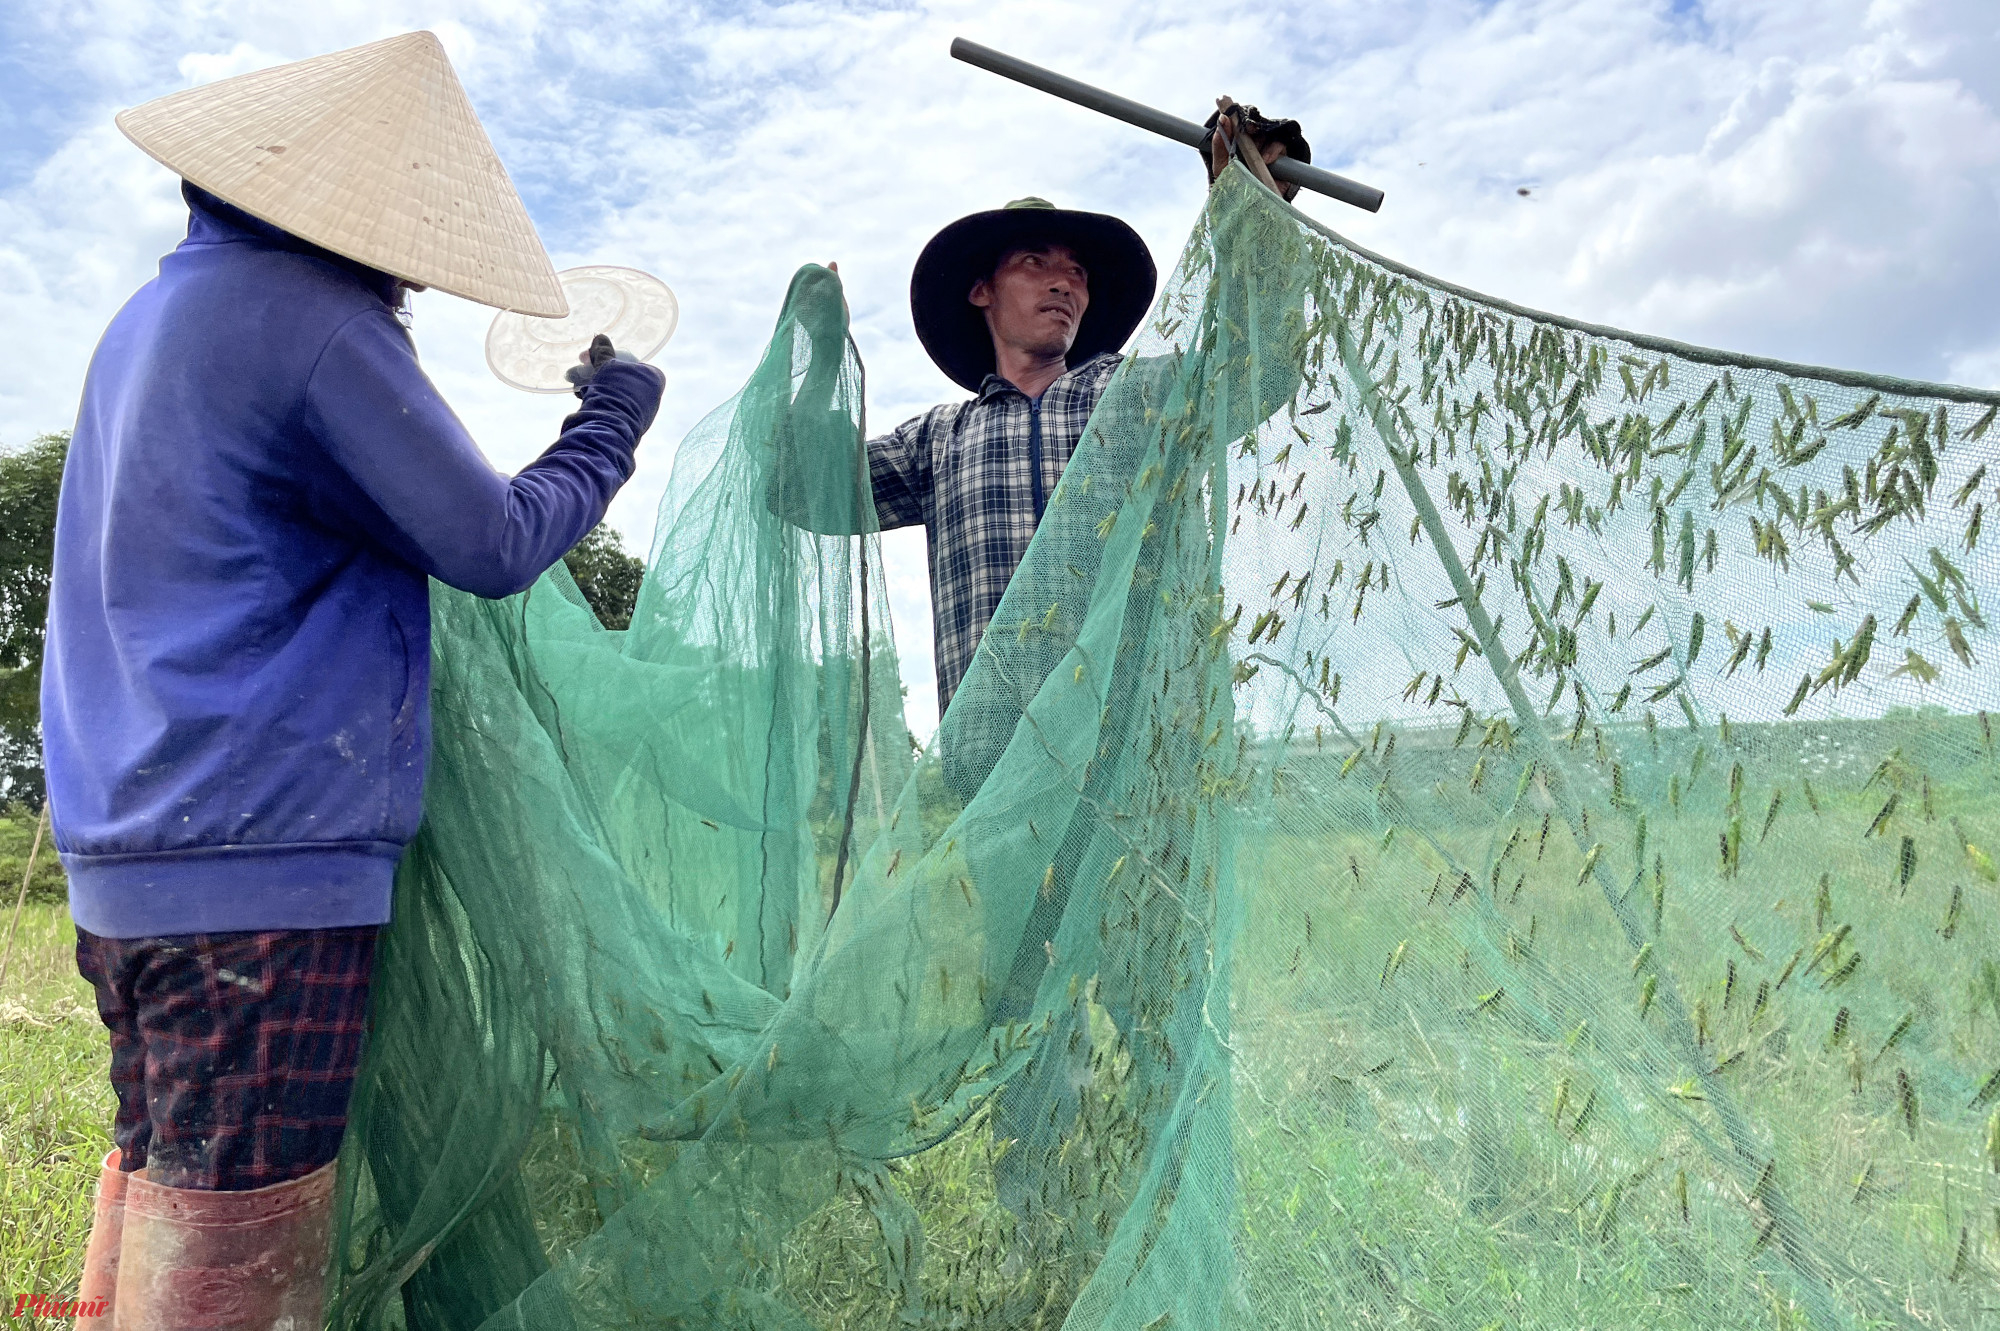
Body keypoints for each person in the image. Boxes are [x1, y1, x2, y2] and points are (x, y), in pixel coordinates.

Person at [43, 32, 664, 1328]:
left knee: (170, 1183)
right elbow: (489, 543)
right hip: (258, 870)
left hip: (133, 861)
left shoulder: (148, 321)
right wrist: (608, 421)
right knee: (240, 1250)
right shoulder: (309, 321)